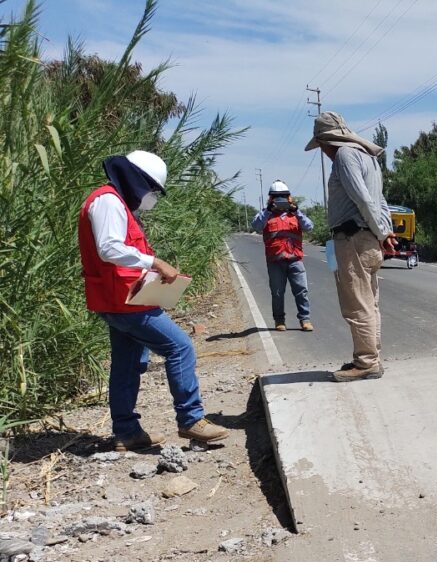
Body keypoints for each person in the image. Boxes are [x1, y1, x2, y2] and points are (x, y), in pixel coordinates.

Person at [78, 150, 230, 451]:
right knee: (180, 347)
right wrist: (155, 263)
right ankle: (191, 419)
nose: (151, 197)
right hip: (125, 301)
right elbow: (109, 248)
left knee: (127, 363)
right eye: (151, 190)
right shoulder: (108, 201)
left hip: (119, 298)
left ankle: (126, 432)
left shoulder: (116, 202)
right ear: (137, 180)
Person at [304, 111, 395, 382]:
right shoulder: (367, 157)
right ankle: (370, 358)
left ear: (325, 141)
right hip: (366, 237)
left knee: (357, 304)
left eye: (321, 146)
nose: (323, 152)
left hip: (354, 239)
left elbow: (365, 201)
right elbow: (379, 201)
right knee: (370, 302)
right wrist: (385, 231)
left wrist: (380, 232)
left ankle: (366, 362)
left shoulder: (344, 156)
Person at [250, 180, 314, 332]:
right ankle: (279, 320)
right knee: (277, 292)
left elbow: (309, 227)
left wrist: (296, 210)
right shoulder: (266, 215)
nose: (281, 199)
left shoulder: (295, 215)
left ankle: (305, 319)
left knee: (301, 290)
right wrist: (268, 211)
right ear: (270, 198)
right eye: (276, 196)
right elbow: (256, 226)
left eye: (284, 196)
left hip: (295, 260)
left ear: (289, 197)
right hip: (275, 261)